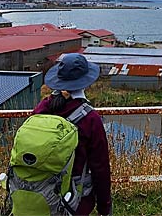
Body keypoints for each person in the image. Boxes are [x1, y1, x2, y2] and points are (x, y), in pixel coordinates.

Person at [33, 53, 112, 216]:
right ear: (85, 82)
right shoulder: (90, 118)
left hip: (38, 193)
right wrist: (105, 207)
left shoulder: (42, 108)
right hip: (74, 200)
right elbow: (100, 168)